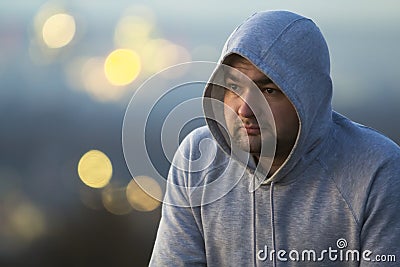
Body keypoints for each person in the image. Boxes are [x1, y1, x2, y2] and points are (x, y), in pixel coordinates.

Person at [149, 10, 400, 266]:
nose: (244, 110)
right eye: (234, 87)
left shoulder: (376, 170)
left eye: (268, 90)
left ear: (308, 99)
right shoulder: (198, 158)